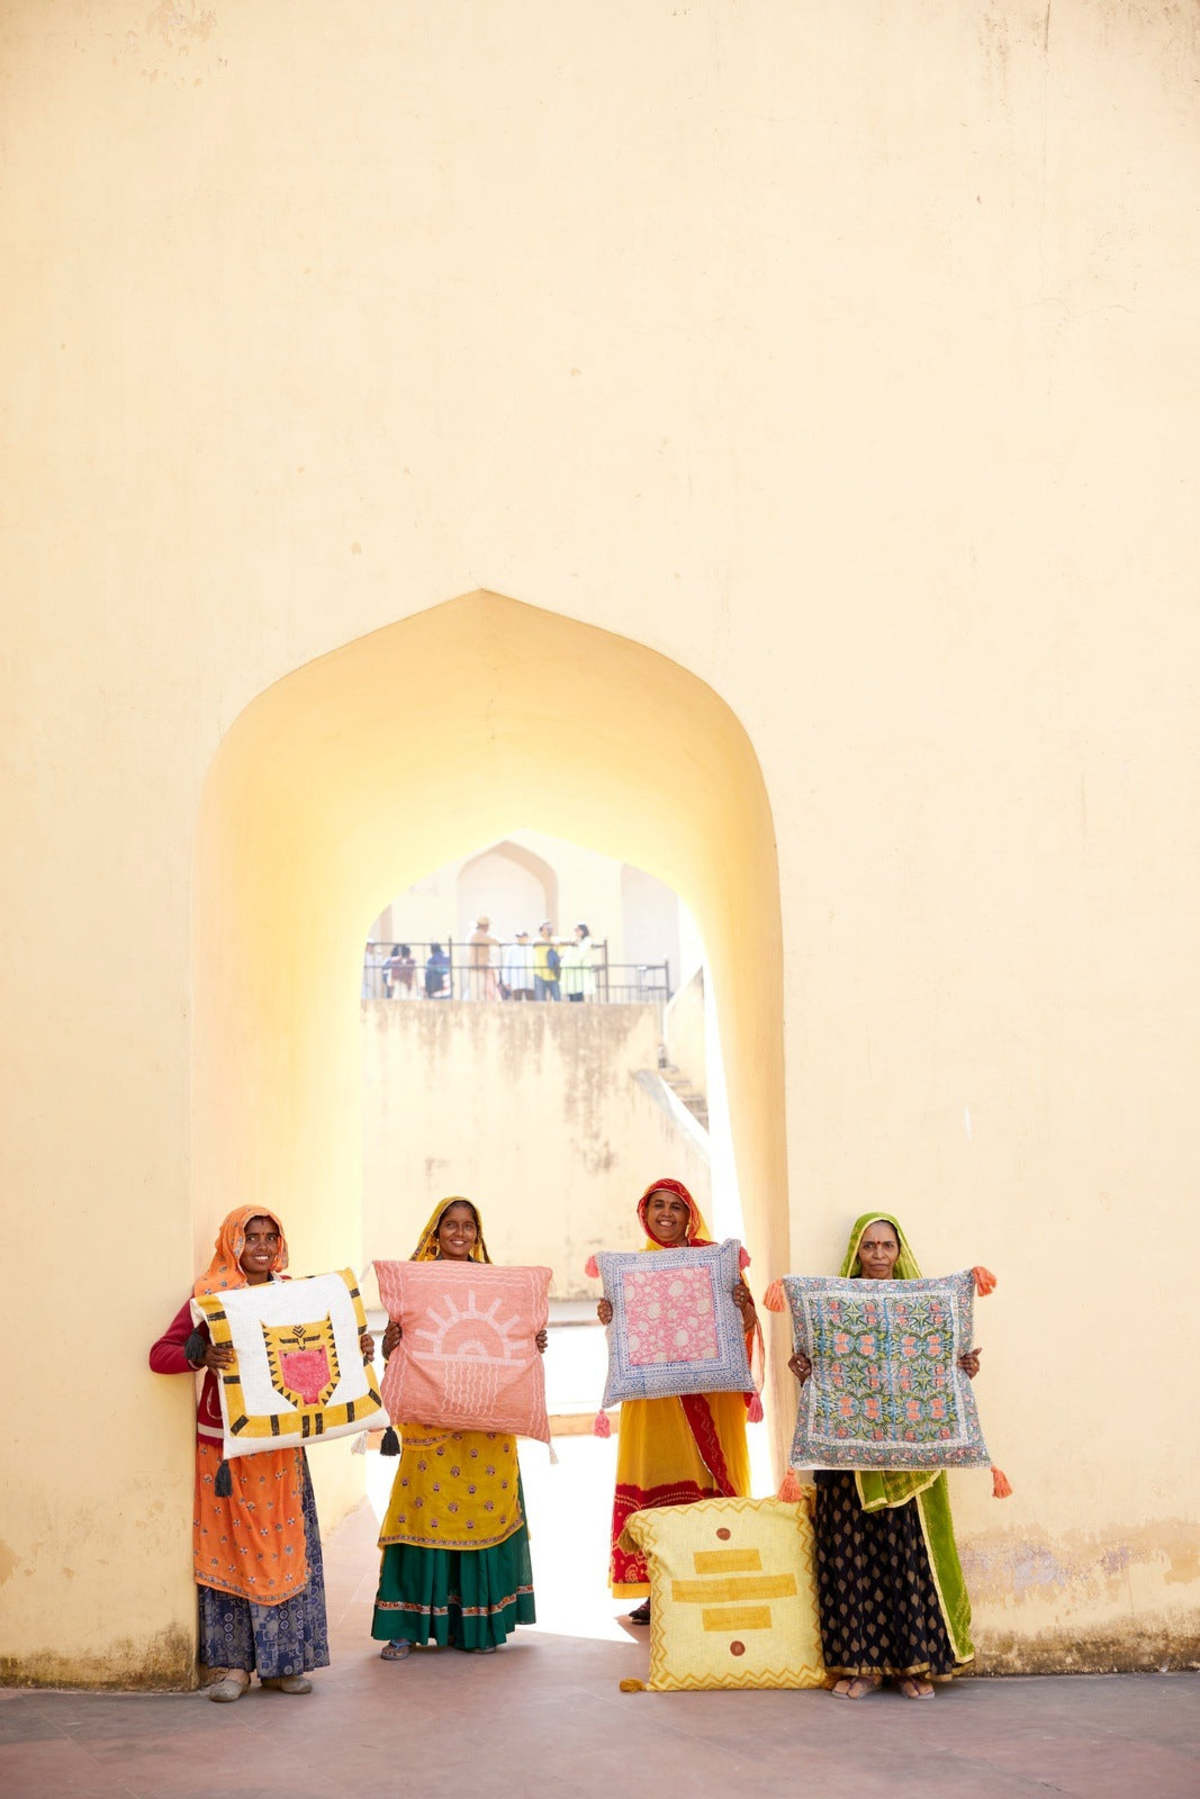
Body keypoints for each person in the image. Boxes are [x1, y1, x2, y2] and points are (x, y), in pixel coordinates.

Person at [148, 1207, 375, 1702]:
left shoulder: (294, 1297)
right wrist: (200, 1355)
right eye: (252, 1237)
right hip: (225, 1450)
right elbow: (160, 1355)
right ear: (232, 1243)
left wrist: (353, 1345)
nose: (263, 1246)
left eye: (272, 1237)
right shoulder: (210, 1297)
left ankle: (283, 1665)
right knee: (231, 1553)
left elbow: (317, 1352)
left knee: (282, 1552)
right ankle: (233, 1669)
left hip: (280, 1448)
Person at [788, 1213, 979, 1700]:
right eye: (869, 1245)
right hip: (846, 1460)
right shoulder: (834, 1308)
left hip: (906, 1463)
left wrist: (958, 1368)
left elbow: (944, 1365)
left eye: (886, 1245)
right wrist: (806, 1368)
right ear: (856, 1250)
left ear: (899, 1251)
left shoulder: (924, 1308)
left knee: (906, 1556)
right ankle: (861, 1668)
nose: (877, 1254)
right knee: (850, 1557)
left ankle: (914, 1667)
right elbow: (818, 1365)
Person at [372, 1197, 547, 1657]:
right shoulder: (417, 1282)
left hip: (486, 1431)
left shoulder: (496, 1286)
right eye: (451, 1224)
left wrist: (531, 1339)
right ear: (436, 1231)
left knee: (483, 1514)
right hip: (430, 1426)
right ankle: (405, 1626)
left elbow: (508, 1336)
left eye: (469, 1226)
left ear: (478, 1233)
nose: (460, 1233)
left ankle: (476, 1627)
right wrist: (391, 1341)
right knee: (420, 1515)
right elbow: (396, 1350)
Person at [597, 1178, 761, 1624]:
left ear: (691, 1215)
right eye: (658, 1206)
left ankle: (714, 1582)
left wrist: (743, 1307)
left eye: (676, 1206)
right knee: (656, 1480)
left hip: (709, 1401)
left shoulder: (715, 1263)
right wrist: (611, 1316)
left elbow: (747, 1328)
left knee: (706, 1486)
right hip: (653, 1407)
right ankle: (659, 1591)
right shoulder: (633, 1270)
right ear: (644, 1214)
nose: (666, 1214)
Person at [561, 922, 599, 1002]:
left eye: (578, 930)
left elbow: (581, 954)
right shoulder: (574, 940)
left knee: (581, 994)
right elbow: (568, 955)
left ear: (583, 931)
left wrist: (572, 961)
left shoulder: (587, 941)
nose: (576, 932)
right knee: (572, 994)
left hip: (581, 971)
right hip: (573, 972)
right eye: (575, 930)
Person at [467, 915, 500, 1001]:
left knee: (479, 995)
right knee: (478, 996)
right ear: (485, 926)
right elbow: (496, 942)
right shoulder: (480, 935)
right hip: (478, 970)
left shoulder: (476, 934)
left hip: (478, 969)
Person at [500, 928, 535, 1001]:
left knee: (531, 1001)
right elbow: (507, 965)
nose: (520, 938)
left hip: (530, 981)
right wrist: (506, 981)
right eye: (519, 937)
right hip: (516, 981)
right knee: (517, 1002)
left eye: (522, 937)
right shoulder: (511, 949)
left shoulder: (531, 948)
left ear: (527, 937)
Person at [533, 921, 561, 1000]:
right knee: (540, 1001)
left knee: (557, 1000)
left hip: (553, 974)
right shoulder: (538, 939)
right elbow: (535, 943)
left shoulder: (556, 940)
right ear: (542, 930)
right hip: (540, 974)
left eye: (550, 928)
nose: (549, 929)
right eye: (547, 928)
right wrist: (551, 943)